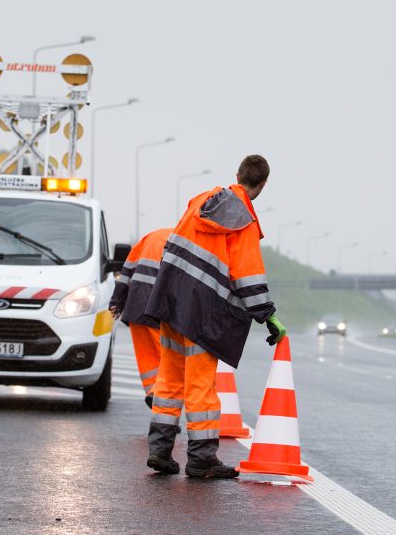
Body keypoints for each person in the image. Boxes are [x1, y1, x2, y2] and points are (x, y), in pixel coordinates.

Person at [143, 154, 286, 478]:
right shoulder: (244, 222)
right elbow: (248, 275)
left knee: (168, 379)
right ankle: (202, 459)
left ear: (237, 175)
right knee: (200, 386)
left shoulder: (200, 202)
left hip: (171, 301)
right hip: (202, 313)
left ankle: (160, 451)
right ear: (263, 185)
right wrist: (268, 316)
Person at [109, 227, 173, 409]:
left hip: (135, 310)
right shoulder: (185, 241)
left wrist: (117, 302)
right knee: (168, 361)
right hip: (158, 311)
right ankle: (165, 412)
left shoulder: (148, 238)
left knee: (148, 359)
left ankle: (153, 394)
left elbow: (125, 273)